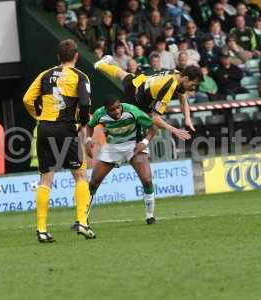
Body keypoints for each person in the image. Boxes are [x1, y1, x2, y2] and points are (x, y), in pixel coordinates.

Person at [23, 39, 95, 242]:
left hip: (44, 128)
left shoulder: (45, 74)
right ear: (77, 56)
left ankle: (42, 229)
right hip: (66, 128)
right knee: (80, 175)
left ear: (57, 57)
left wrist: (38, 115)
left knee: (45, 179)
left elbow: (27, 99)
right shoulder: (81, 77)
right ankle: (82, 222)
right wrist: (81, 123)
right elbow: (84, 102)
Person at [94, 54, 203, 140]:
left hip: (141, 82)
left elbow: (183, 98)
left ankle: (100, 65)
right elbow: (155, 118)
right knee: (152, 126)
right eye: (193, 84)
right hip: (136, 97)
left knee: (123, 74)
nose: (193, 88)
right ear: (186, 78)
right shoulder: (169, 87)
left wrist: (187, 120)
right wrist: (176, 131)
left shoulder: (177, 73)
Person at [86, 95, 158, 224]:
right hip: (112, 147)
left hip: (134, 145)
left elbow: (153, 127)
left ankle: (150, 216)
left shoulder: (132, 111)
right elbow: (90, 126)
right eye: (112, 109)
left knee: (147, 180)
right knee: (93, 183)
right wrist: (88, 139)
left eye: (118, 107)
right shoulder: (99, 114)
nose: (117, 111)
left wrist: (145, 142)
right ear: (106, 109)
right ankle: (82, 219)